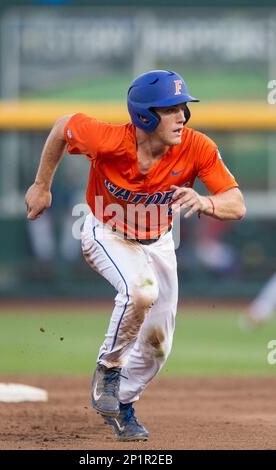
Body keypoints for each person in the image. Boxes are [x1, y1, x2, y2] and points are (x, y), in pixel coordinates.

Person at [25, 70, 246, 441]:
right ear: (144, 115)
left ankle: (121, 403)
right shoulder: (108, 139)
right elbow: (63, 127)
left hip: (158, 241)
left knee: (159, 346)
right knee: (140, 291)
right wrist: (41, 185)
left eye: (183, 108)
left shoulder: (197, 147)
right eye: (171, 109)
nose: (182, 116)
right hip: (104, 231)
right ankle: (107, 371)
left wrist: (206, 201)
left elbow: (236, 203)